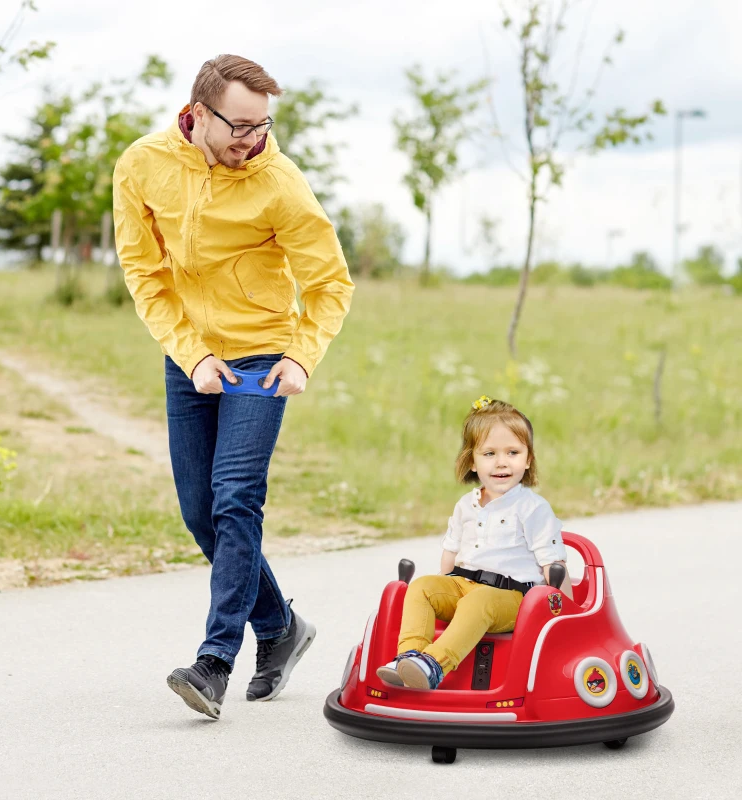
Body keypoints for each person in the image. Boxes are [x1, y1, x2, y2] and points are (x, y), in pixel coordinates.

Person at [112, 54, 354, 719]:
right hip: (190, 355)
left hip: (262, 358)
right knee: (200, 512)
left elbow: (330, 283)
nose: (253, 139)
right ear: (198, 114)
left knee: (236, 499)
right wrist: (192, 356)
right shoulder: (142, 165)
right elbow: (145, 274)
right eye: (240, 126)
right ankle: (280, 626)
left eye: (263, 125)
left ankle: (214, 662)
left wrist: (301, 357)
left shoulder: (280, 183)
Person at [377, 396, 572, 690]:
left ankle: (434, 664)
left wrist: (566, 613)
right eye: (489, 453)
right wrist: (443, 587)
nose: (502, 462)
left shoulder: (533, 508)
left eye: (513, 452)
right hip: (464, 586)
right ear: (472, 461)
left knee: (479, 600)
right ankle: (409, 657)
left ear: (528, 459)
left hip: (512, 598)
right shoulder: (465, 505)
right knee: (422, 586)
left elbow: (552, 562)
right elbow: (451, 553)